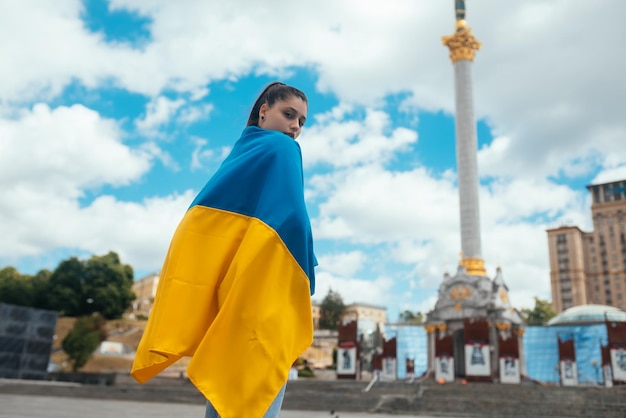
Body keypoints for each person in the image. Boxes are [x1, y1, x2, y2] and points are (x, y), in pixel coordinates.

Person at [131, 82, 316, 418]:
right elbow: (293, 219)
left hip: (233, 283)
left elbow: (204, 225)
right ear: (264, 111)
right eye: (289, 114)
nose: (295, 127)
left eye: (302, 122)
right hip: (265, 285)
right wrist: (304, 264)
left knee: (228, 377)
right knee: (255, 379)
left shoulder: (240, 153)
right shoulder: (284, 150)